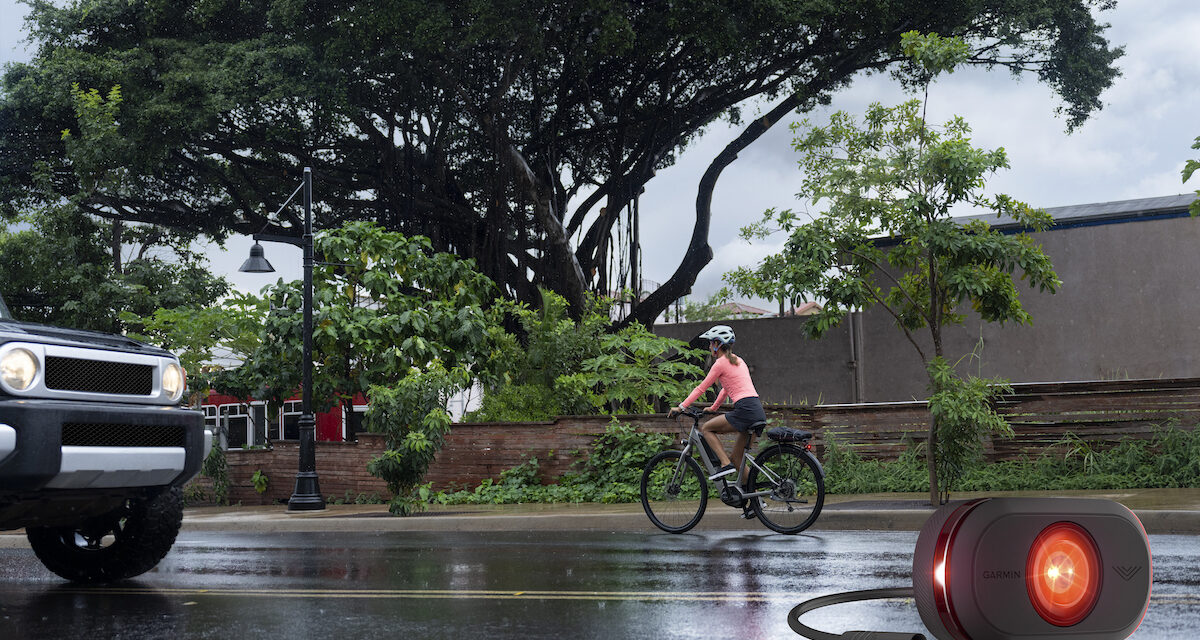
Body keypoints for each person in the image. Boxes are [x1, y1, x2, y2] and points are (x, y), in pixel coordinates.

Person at [668, 325, 766, 484]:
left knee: (706, 428)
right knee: (737, 458)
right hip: (756, 410)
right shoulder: (739, 360)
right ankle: (755, 500)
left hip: (745, 410)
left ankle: (724, 464)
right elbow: (726, 390)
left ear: (717, 344)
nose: (709, 347)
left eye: (710, 343)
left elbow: (701, 388)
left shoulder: (720, 363)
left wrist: (681, 407)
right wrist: (713, 408)